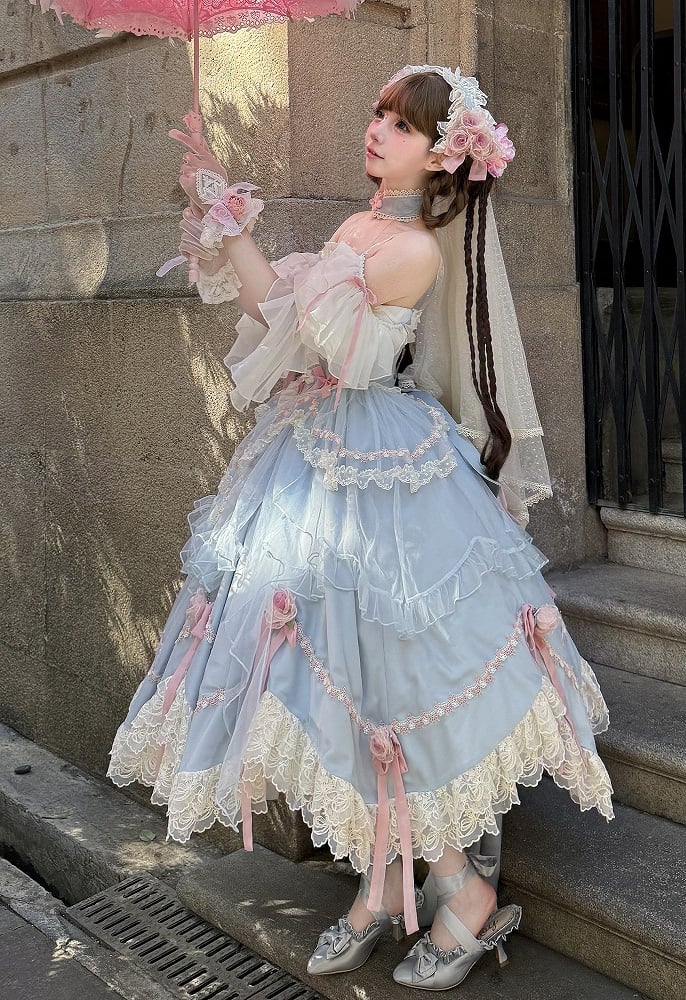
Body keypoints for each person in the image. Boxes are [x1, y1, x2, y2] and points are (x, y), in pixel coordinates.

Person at [107, 65, 614, 991]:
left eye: (404, 124)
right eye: (379, 113)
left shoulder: (417, 246)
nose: (378, 129)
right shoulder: (355, 228)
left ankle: (456, 889)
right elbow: (273, 316)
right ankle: (383, 883)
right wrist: (228, 215)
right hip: (316, 459)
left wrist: (243, 224)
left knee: (394, 678)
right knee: (334, 676)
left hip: (385, 468)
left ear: (442, 157)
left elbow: (325, 339)